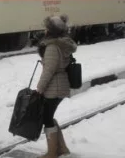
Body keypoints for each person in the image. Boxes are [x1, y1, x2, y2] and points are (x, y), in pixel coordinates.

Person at [36, 14, 77, 157]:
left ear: (51, 31)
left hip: (55, 86)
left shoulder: (52, 46)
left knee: (47, 118)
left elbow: (49, 70)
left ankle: (52, 152)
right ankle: (61, 148)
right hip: (60, 84)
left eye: (47, 28)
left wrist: (40, 88)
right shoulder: (62, 44)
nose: (45, 30)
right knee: (49, 116)